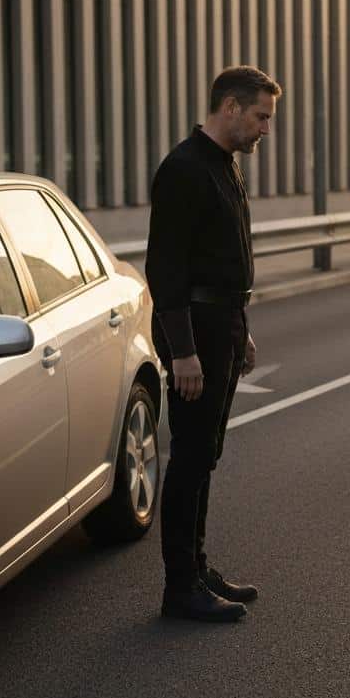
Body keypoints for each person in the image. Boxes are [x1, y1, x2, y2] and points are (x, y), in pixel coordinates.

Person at [145, 66, 281, 622]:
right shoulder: (183, 169)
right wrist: (183, 351)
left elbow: (224, 258)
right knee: (190, 458)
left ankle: (197, 568)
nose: (265, 130)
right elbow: (166, 267)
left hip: (221, 321)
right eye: (260, 117)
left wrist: (241, 327)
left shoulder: (224, 166)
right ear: (229, 107)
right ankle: (180, 588)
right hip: (194, 329)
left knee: (207, 456)